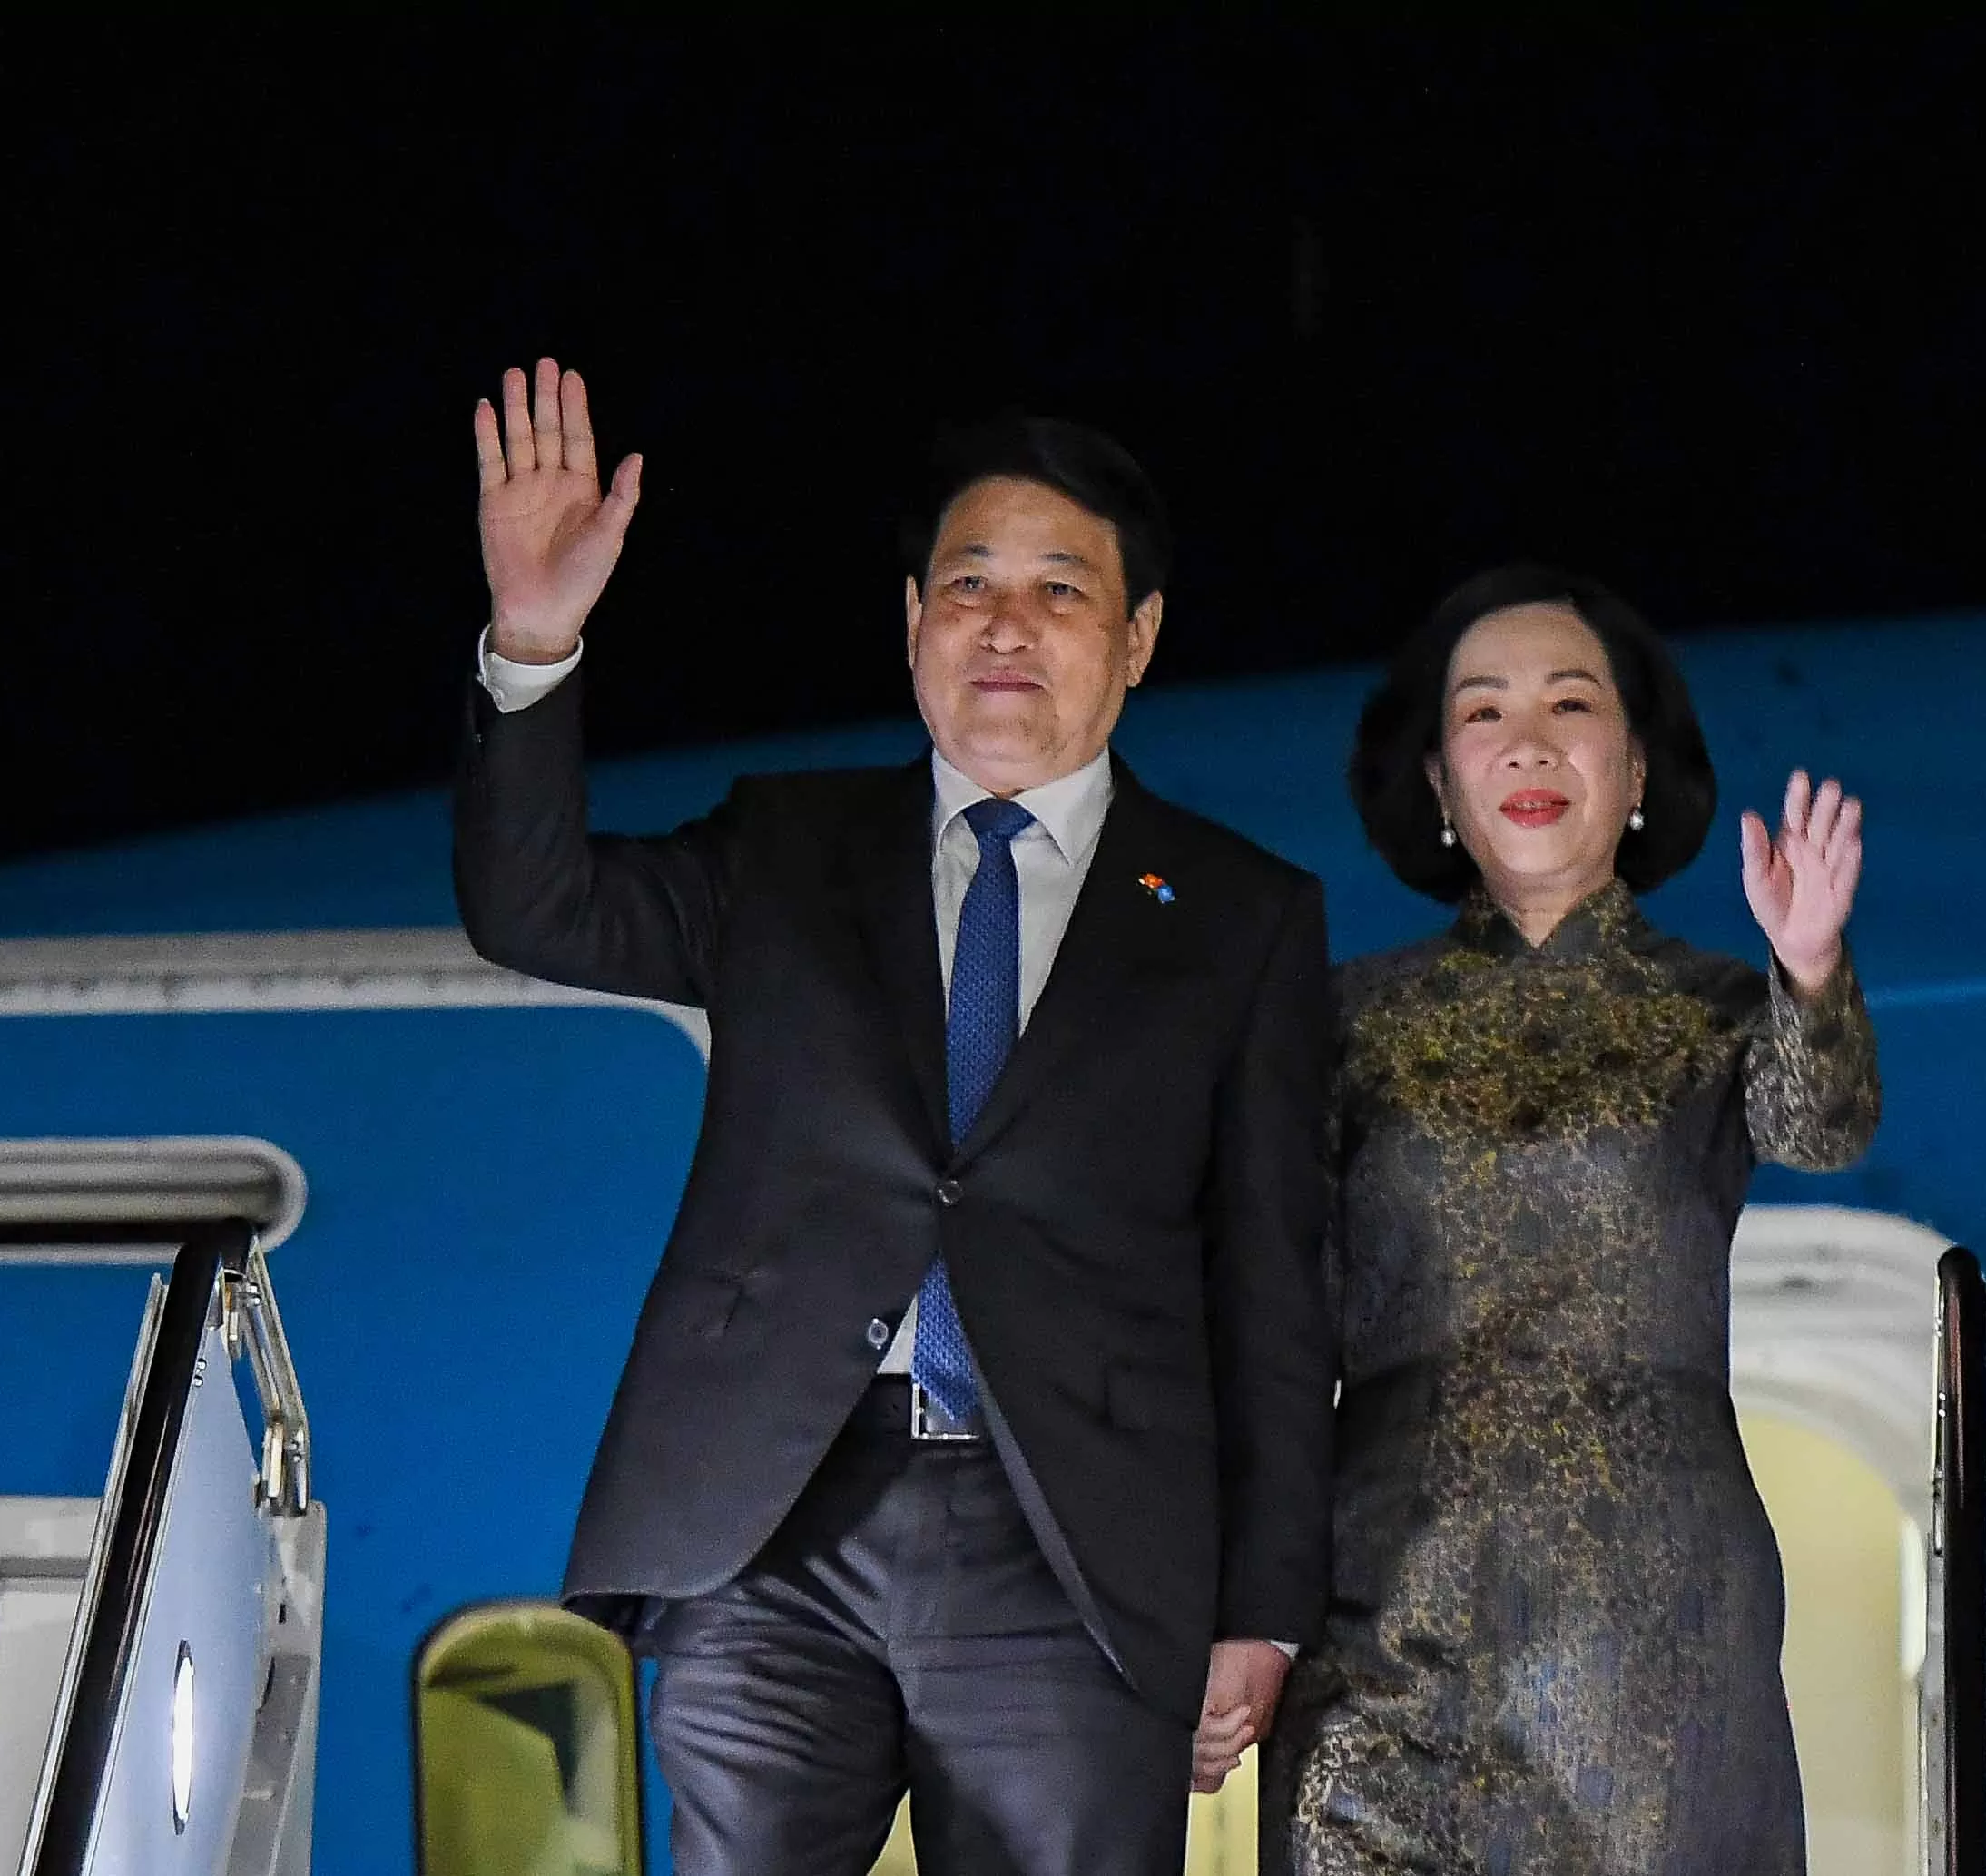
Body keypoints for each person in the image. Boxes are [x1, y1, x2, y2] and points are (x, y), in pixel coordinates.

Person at [451, 359, 1334, 1876]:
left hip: (1071, 1545)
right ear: (911, 619)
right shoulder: (788, 844)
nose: (1006, 622)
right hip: (777, 1521)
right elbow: (533, 907)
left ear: (1137, 641)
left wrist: (1260, 1604)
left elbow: (1272, 1282)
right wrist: (535, 638)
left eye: (1061, 589)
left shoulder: (1239, 912)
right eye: (969, 580)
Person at [1256, 565, 1882, 1873]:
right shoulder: (1341, 1019)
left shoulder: (1718, 1005)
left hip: (1649, 1620)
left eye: (1570, 702)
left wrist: (1811, 968)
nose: (1527, 741)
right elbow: (1272, 1321)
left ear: (1637, 765)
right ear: (1435, 782)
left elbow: (1823, 1125)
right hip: (1386, 1606)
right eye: (1481, 713)